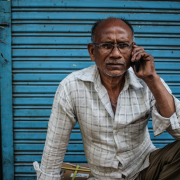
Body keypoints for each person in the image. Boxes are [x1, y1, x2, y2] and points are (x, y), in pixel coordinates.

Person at [33, 17, 180, 180]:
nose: (116, 54)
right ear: (92, 51)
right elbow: (55, 146)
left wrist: (152, 79)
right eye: (106, 46)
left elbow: (178, 132)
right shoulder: (71, 86)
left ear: (133, 50)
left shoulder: (148, 81)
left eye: (123, 46)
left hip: (145, 168)